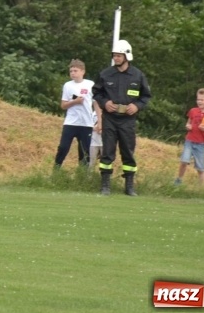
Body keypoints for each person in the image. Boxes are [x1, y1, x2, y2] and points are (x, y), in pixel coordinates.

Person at [92, 40, 152, 196]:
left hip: (128, 120)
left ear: (127, 56)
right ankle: (105, 186)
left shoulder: (138, 75)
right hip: (110, 118)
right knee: (107, 152)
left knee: (128, 152)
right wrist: (105, 103)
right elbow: (97, 93)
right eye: (114, 55)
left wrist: (137, 106)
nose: (116, 58)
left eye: (119, 55)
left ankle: (129, 186)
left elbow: (146, 96)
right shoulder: (105, 74)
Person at [53, 59, 100, 169]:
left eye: (75, 70)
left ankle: (82, 175)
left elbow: (96, 103)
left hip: (86, 123)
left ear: (82, 71)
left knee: (84, 151)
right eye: (71, 71)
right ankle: (56, 169)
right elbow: (63, 105)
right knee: (63, 147)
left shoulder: (90, 84)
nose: (73, 73)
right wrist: (75, 101)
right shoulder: (68, 85)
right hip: (71, 122)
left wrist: (100, 120)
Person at [174, 88, 204, 185]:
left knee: (200, 167)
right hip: (189, 141)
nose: (199, 102)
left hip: (201, 144)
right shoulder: (193, 111)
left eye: (202, 100)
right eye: (198, 99)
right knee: (184, 161)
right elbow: (188, 123)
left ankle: (201, 188)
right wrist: (188, 126)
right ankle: (178, 180)